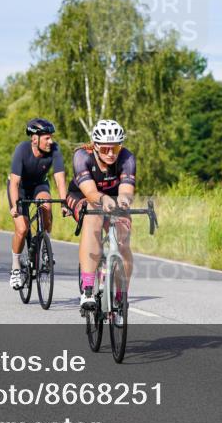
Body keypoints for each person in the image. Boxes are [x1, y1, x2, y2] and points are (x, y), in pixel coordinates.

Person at [64, 119, 136, 311]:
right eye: (105, 149)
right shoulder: (82, 156)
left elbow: (127, 190)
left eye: (116, 148)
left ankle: (122, 294)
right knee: (93, 217)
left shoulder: (127, 157)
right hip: (82, 196)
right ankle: (87, 288)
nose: (111, 154)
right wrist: (104, 200)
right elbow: (90, 193)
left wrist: (123, 202)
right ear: (95, 146)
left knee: (123, 235)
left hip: (112, 198)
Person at [7, 118, 68, 289]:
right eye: (47, 138)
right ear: (35, 139)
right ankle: (16, 268)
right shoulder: (22, 150)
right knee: (22, 228)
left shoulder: (55, 150)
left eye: (51, 137)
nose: (51, 141)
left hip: (39, 185)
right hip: (20, 189)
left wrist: (64, 203)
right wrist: (14, 206)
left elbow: (59, 179)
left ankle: (45, 247)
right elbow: (14, 183)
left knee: (47, 206)